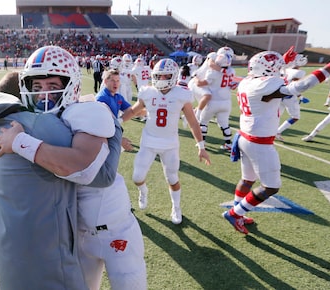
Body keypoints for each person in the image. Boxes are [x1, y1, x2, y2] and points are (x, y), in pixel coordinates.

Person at [0, 45, 123, 290]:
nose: (44, 95)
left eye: (52, 87)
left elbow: (99, 174)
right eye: (37, 88)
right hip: (70, 233)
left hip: (98, 222)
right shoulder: (44, 127)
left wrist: (21, 144)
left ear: (70, 86)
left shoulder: (20, 126)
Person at [222, 36, 330, 235]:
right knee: (271, 187)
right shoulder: (265, 84)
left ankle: (238, 212)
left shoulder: (247, 81)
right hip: (259, 144)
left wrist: (284, 62)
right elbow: (302, 86)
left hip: (245, 137)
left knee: (247, 180)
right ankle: (235, 213)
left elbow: (270, 82)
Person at [120, 58, 211, 225]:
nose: (161, 80)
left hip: (169, 144)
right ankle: (143, 191)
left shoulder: (181, 95)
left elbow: (192, 122)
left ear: (173, 76)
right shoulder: (147, 92)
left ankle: (176, 207)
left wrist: (201, 146)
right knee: (137, 177)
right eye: (158, 76)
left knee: (172, 178)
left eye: (165, 76)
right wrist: (117, 122)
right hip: (148, 141)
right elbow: (133, 111)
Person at [195, 47, 237, 150]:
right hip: (226, 102)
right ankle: (228, 143)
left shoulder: (212, 72)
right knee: (224, 123)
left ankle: (202, 142)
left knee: (203, 122)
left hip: (213, 101)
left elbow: (201, 84)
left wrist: (195, 78)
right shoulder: (232, 71)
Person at [96, 68, 134, 151]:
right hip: (105, 139)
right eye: (113, 80)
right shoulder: (102, 98)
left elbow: (131, 110)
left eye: (117, 80)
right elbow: (101, 126)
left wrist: (148, 110)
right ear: (106, 81)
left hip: (113, 133)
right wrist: (118, 140)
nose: (116, 83)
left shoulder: (117, 96)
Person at [275, 54, 310, 141]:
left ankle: (270, 131)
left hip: (279, 95)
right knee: (295, 117)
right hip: (289, 97)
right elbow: (294, 86)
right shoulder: (299, 73)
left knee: (277, 115)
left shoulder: (285, 69)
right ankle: (278, 132)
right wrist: (301, 97)